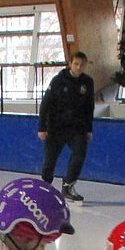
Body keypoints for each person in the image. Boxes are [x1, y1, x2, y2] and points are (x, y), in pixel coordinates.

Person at [38, 51, 95, 203]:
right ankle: (45, 187)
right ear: (70, 64)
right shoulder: (58, 81)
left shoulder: (87, 82)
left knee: (79, 153)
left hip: (77, 128)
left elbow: (90, 107)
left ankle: (68, 185)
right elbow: (45, 105)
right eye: (76, 64)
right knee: (50, 160)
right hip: (56, 127)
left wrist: (89, 129)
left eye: (82, 65)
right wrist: (42, 128)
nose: (78, 67)